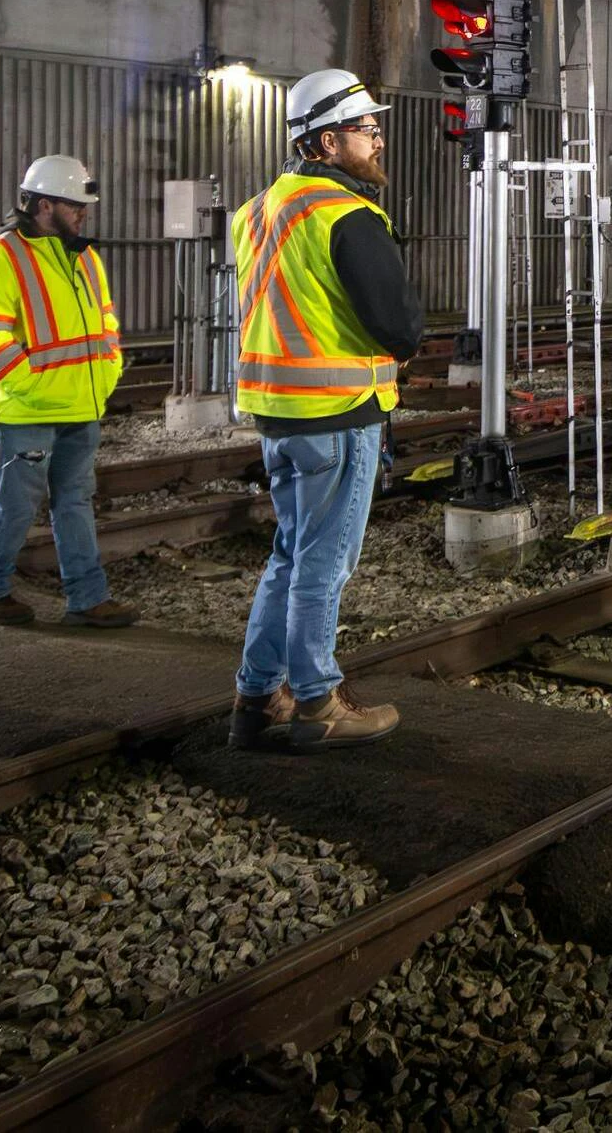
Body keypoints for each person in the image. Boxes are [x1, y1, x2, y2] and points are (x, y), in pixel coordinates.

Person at [226, 68, 424, 753]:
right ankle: (317, 701)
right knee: (325, 561)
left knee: (289, 552)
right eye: (368, 131)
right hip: (338, 411)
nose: (377, 143)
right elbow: (397, 325)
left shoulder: (257, 211)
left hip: (276, 412)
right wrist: (409, 336)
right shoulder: (346, 214)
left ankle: (258, 695)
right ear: (326, 141)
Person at [0, 155, 140, 629]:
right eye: (75, 206)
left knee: (74, 502)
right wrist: (29, 383)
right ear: (42, 205)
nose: (83, 214)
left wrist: (110, 369)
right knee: (18, 504)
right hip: (25, 411)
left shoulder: (85, 258)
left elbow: (105, 324)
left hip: (82, 404)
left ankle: (88, 599)